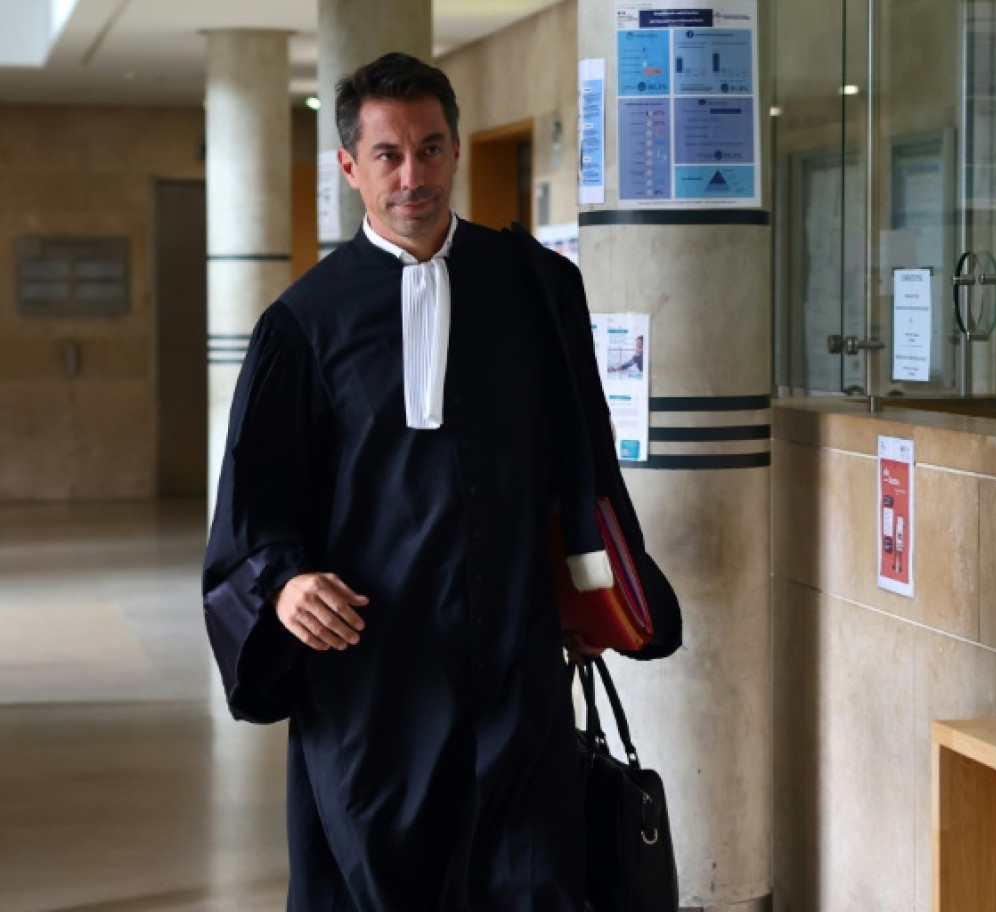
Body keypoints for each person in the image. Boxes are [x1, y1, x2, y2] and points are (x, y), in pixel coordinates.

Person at [202, 52, 679, 911]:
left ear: (456, 150)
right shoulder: (301, 327)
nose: (411, 174)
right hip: (371, 681)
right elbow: (253, 508)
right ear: (349, 167)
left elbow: (584, 461)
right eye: (387, 154)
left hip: (515, 665)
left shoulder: (538, 288)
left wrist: (592, 594)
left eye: (430, 147)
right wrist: (282, 587)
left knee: (531, 880)